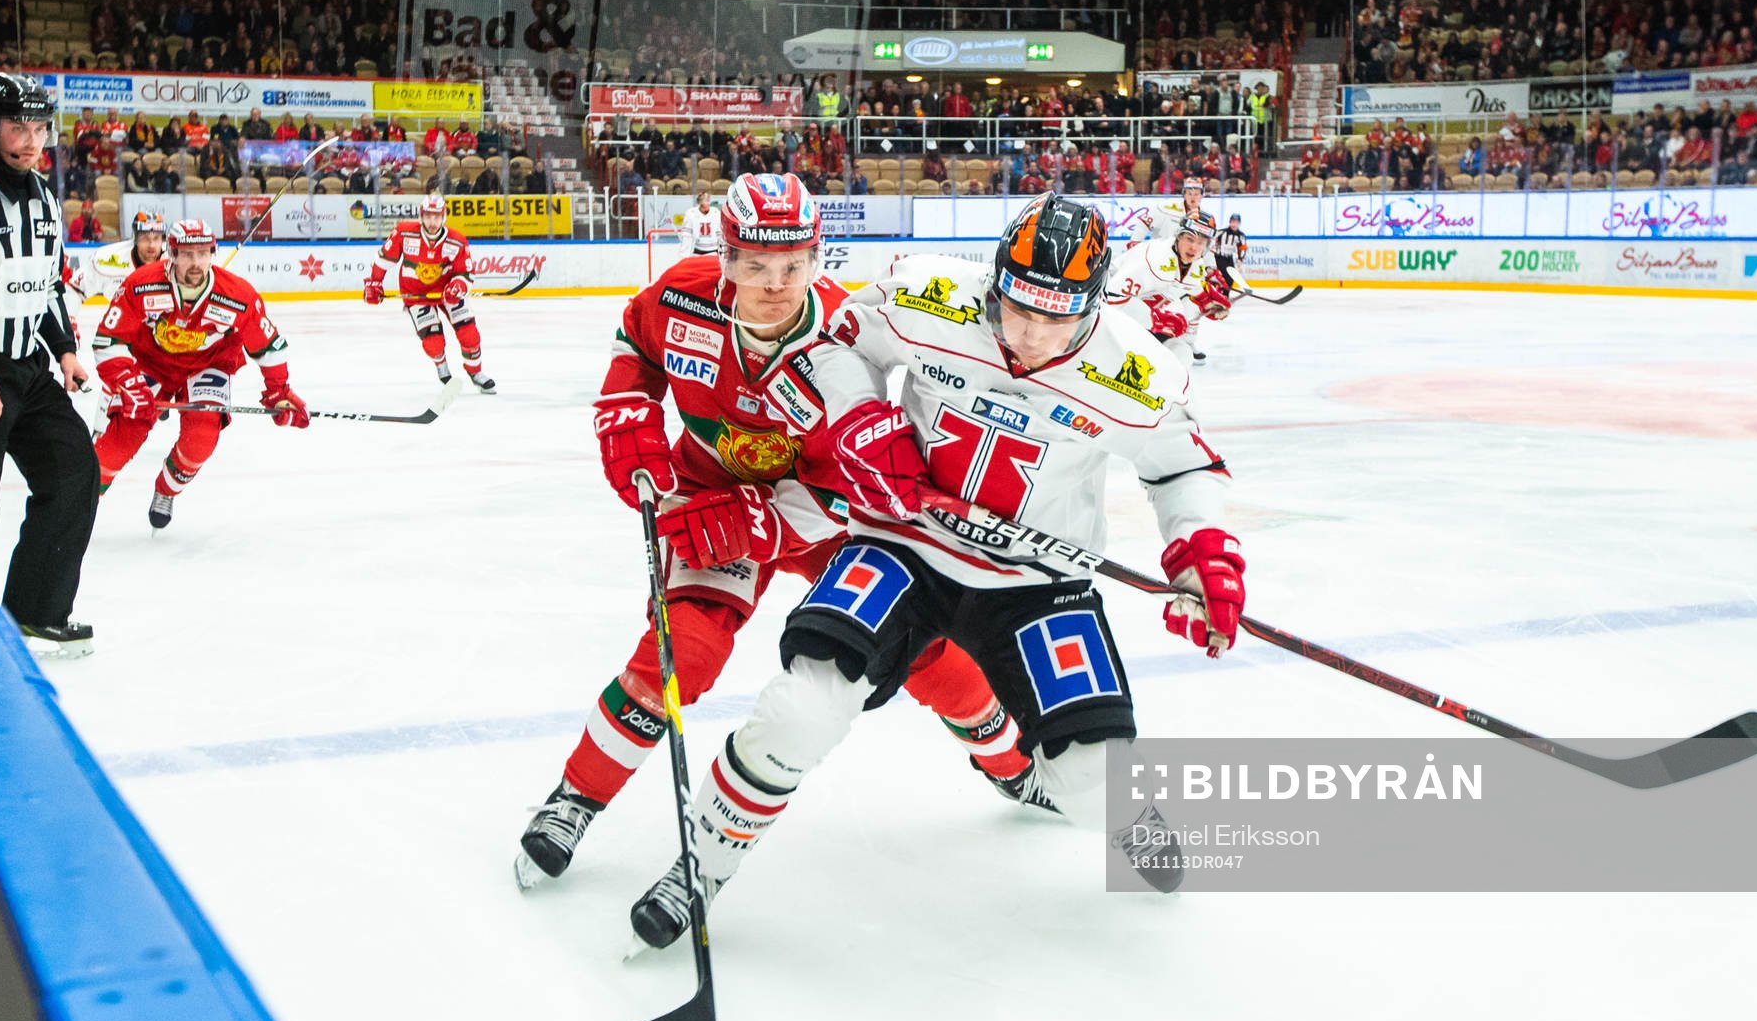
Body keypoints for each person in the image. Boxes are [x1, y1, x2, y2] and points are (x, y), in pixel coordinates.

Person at [627, 193, 1240, 945]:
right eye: (1018, 309)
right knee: (802, 707)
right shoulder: (928, 293)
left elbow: (1183, 469)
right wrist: (859, 417)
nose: (1031, 335)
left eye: (1057, 319)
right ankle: (703, 864)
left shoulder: (1136, 368)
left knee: (1092, 780)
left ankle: (1130, 823)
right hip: (903, 542)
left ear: (1092, 301)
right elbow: (835, 344)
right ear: (995, 280)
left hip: (1032, 580)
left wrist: (1203, 555)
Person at [515, 172, 1050, 888]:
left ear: (816, 257)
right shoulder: (681, 296)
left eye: (793, 265)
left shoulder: (845, 338)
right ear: (727, 257)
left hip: (819, 516)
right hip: (707, 500)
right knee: (680, 655)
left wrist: (760, 519)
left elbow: (861, 481)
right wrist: (628, 416)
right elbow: (635, 346)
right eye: (757, 265)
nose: (775, 283)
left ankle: (1013, 765)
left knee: (923, 651)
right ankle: (574, 800)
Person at [0, 73, 100, 657]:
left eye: (41, 127)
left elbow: (46, 284)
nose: (32, 138)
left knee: (73, 474)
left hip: (28, 371)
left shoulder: (43, 196)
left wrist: (63, 348)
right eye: (18, 126)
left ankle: (36, 610)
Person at [91, 220, 309, 530]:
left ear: (213, 253)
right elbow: (107, 341)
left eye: (204, 254)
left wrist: (280, 392)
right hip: (151, 361)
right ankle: (78, 503)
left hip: (209, 364)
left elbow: (269, 347)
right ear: (172, 253)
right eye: (188, 254)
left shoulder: (237, 294)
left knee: (200, 441)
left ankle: (166, 491)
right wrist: (128, 384)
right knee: (119, 441)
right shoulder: (141, 284)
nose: (196, 263)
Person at [362, 195, 495, 391]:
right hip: (416, 295)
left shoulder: (457, 241)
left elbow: (465, 274)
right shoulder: (404, 233)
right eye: (428, 217)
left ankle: (475, 372)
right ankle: (443, 369)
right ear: (421, 216)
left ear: (444, 216)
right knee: (433, 342)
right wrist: (374, 283)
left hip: (447, 292)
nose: (432, 222)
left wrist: (457, 286)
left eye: (437, 217)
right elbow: (383, 260)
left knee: (470, 335)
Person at [1107, 212, 1229, 366]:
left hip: (1134, 313)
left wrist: (1208, 301)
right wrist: (1152, 318)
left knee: (1182, 354)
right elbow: (1111, 297)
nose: (1193, 247)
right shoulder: (1156, 258)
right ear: (1178, 236)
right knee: (1174, 319)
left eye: (1200, 243)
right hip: (1112, 315)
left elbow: (1191, 287)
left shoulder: (1195, 263)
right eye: (1189, 239)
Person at [71, 209, 166, 302]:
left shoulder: (174, 260)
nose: (151, 245)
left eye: (156, 238)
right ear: (136, 239)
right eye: (145, 238)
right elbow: (74, 289)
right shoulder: (108, 257)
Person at [1135, 174, 1206, 244]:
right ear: (1184, 194)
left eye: (1196, 194)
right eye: (1189, 193)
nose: (1193, 197)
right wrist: (1135, 241)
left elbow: (1208, 242)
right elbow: (1144, 223)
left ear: (1201, 196)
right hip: (1162, 252)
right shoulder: (1166, 208)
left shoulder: (1205, 218)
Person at [1209, 211, 1252, 295]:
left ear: (1239, 223)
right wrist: (1212, 247)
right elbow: (1212, 238)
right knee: (1222, 275)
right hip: (1219, 257)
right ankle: (1217, 293)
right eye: (1232, 222)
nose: (1234, 224)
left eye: (1236, 222)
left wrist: (1240, 259)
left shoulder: (1241, 235)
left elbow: (1242, 248)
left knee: (1231, 278)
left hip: (1229, 258)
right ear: (1229, 222)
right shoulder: (1222, 231)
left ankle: (1225, 295)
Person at [678, 188, 722, 256]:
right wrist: (683, 255)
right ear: (699, 202)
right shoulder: (691, 213)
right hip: (697, 251)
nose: (708, 200)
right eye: (705, 199)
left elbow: (720, 234)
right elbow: (686, 236)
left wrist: (722, 253)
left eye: (708, 199)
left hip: (713, 251)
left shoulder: (716, 213)